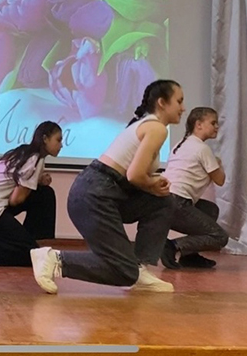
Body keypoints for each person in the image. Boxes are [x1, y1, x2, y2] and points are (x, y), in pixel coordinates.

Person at [30, 79, 184, 294]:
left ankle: (140, 269)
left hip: (101, 191)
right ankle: (55, 259)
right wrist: (153, 183)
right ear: (162, 103)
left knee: (164, 202)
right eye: (179, 101)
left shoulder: (144, 124)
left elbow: (132, 174)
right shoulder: (157, 128)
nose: (183, 108)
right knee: (124, 271)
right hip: (95, 194)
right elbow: (135, 175)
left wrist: (153, 184)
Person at [0, 121, 62, 267]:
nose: (61, 145)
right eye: (58, 140)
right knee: (33, 257)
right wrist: (32, 184)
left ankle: (31, 239)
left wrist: (38, 181)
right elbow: (15, 200)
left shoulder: (26, 153)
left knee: (45, 193)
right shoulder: (34, 160)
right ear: (45, 139)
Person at [159, 107, 228, 269]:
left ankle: (190, 256)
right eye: (213, 123)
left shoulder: (180, 145)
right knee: (220, 237)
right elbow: (220, 180)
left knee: (210, 210)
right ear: (199, 124)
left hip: (165, 202)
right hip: (177, 202)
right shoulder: (202, 149)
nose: (217, 126)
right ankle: (172, 246)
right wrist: (218, 163)